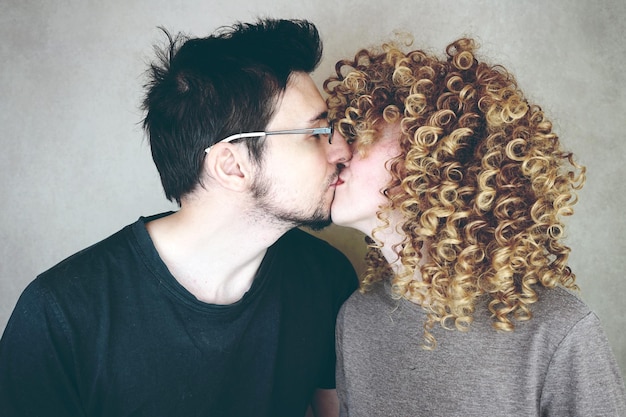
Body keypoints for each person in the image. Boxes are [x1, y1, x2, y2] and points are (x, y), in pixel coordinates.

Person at [0, 18, 358, 417]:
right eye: (315, 133)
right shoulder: (61, 313)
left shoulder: (325, 279)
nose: (342, 150)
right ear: (232, 166)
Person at [324, 37, 626, 416]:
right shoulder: (357, 320)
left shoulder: (558, 332)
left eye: (359, 134)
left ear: (435, 157)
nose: (336, 153)